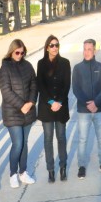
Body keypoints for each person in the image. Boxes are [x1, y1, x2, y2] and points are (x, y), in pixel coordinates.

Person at [0, 39, 38, 188]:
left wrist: (30, 102)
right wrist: (21, 105)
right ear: (11, 51)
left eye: (22, 52)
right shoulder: (5, 68)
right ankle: (13, 174)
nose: (20, 55)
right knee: (18, 143)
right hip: (12, 113)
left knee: (25, 143)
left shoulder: (27, 66)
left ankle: (23, 172)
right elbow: (6, 91)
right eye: (17, 52)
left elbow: (34, 85)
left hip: (27, 111)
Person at [72, 39, 101, 179]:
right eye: (84, 49)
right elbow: (75, 88)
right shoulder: (77, 68)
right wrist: (88, 104)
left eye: (89, 49)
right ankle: (82, 166)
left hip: (100, 110)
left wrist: (96, 103)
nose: (86, 52)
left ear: (94, 51)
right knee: (82, 139)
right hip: (84, 111)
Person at [36, 35, 72, 181]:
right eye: (52, 45)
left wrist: (59, 102)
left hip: (61, 107)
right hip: (47, 107)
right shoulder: (41, 63)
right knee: (48, 138)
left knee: (62, 137)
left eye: (56, 45)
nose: (55, 47)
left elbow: (66, 84)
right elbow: (40, 86)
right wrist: (52, 102)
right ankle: (50, 169)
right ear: (47, 47)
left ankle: (63, 167)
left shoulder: (65, 62)